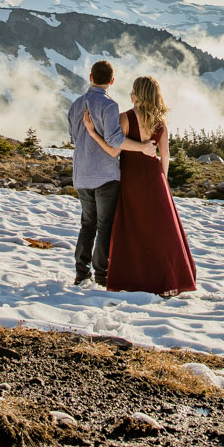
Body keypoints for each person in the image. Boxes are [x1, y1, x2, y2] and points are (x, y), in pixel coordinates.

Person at [99, 75, 198, 297]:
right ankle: (167, 279)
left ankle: (135, 279)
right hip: (155, 178)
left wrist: (92, 133)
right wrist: (162, 181)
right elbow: (165, 155)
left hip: (132, 178)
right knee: (161, 230)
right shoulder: (160, 123)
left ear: (137, 93)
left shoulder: (125, 117)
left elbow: (115, 147)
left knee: (134, 228)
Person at [67, 59, 153, 286]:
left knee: (87, 224)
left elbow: (74, 137)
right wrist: (143, 147)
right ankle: (102, 274)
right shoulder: (110, 106)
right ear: (112, 81)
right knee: (105, 225)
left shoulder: (76, 104)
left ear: (90, 77)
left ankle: (80, 272)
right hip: (105, 174)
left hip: (82, 173)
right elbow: (115, 140)